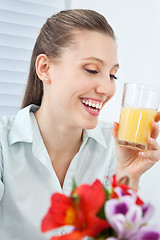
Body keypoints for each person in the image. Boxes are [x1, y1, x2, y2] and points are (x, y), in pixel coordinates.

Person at [0, 9, 160, 240]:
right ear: (45, 68)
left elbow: (113, 235)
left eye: (112, 75)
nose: (107, 89)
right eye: (92, 70)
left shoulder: (114, 147)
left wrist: (128, 174)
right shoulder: (4, 145)